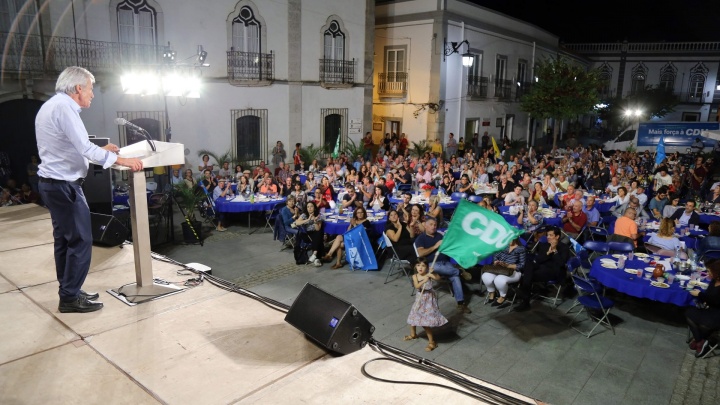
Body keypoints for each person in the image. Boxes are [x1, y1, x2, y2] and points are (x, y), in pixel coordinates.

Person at [35, 66, 143, 313]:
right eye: (91, 89)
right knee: (81, 241)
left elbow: (69, 147)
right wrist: (122, 161)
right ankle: (70, 298)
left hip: (53, 185)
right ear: (78, 88)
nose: (92, 95)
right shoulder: (65, 108)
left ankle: (69, 290)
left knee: (64, 240)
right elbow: (84, 147)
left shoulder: (53, 106)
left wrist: (102, 152)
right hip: (64, 186)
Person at [414, 216, 472, 313]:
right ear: (425, 226)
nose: (434, 227)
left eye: (435, 225)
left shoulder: (440, 236)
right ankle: (459, 271)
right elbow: (421, 253)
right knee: (454, 272)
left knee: (454, 276)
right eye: (431, 225)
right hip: (431, 265)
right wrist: (435, 246)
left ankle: (460, 303)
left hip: (446, 263)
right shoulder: (421, 238)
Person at [515, 227, 569, 312]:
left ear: (557, 236)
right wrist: (548, 253)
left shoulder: (564, 247)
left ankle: (524, 298)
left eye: (551, 235)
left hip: (554, 271)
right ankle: (525, 294)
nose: (548, 237)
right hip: (541, 267)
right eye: (547, 235)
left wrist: (554, 251)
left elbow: (561, 263)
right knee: (529, 263)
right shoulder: (544, 245)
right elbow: (538, 260)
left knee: (526, 276)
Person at [404, 258, 448, 352]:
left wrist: (433, 273)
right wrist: (425, 279)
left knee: (425, 323)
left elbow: (438, 278)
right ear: (415, 266)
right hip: (419, 299)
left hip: (428, 299)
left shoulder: (430, 274)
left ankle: (432, 342)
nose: (420, 267)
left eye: (423, 266)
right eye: (418, 265)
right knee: (413, 317)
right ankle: (413, 334)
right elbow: (417, 286)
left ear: (427, 267)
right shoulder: (415, 276)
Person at [686, 259, 720, 358]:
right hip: (710, 309)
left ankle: (700, 341)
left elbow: (716, 301)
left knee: (699, 321)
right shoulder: (714, 281)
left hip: (717, 314)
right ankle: (700, 340)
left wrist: (700, 294)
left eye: (710, 272)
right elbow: (709, 296)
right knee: (689, 312)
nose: (708, 273)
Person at [482, 238, 527, 309]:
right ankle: (492, 292)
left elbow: (522, 265)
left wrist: (508, 265)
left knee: (499, 280)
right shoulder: (503, 246)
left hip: (513, 271)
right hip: (499, 269)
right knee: (485, 276)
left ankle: (502, 296)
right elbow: (495, 256)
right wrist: (496, 262)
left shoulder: (521, 249)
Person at [291, 201, 324, 267]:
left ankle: (315, 255)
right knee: (319, 236)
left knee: (318, 233)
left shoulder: (318, 215)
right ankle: (316, 257)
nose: (309, 208)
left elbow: (317, 229)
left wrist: (315, 221)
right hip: (306, 234)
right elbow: (296, 223)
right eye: (308, 207)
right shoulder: (304, 215)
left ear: (314, 208)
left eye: (311, 206)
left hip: (315, 233)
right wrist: (308, 219)